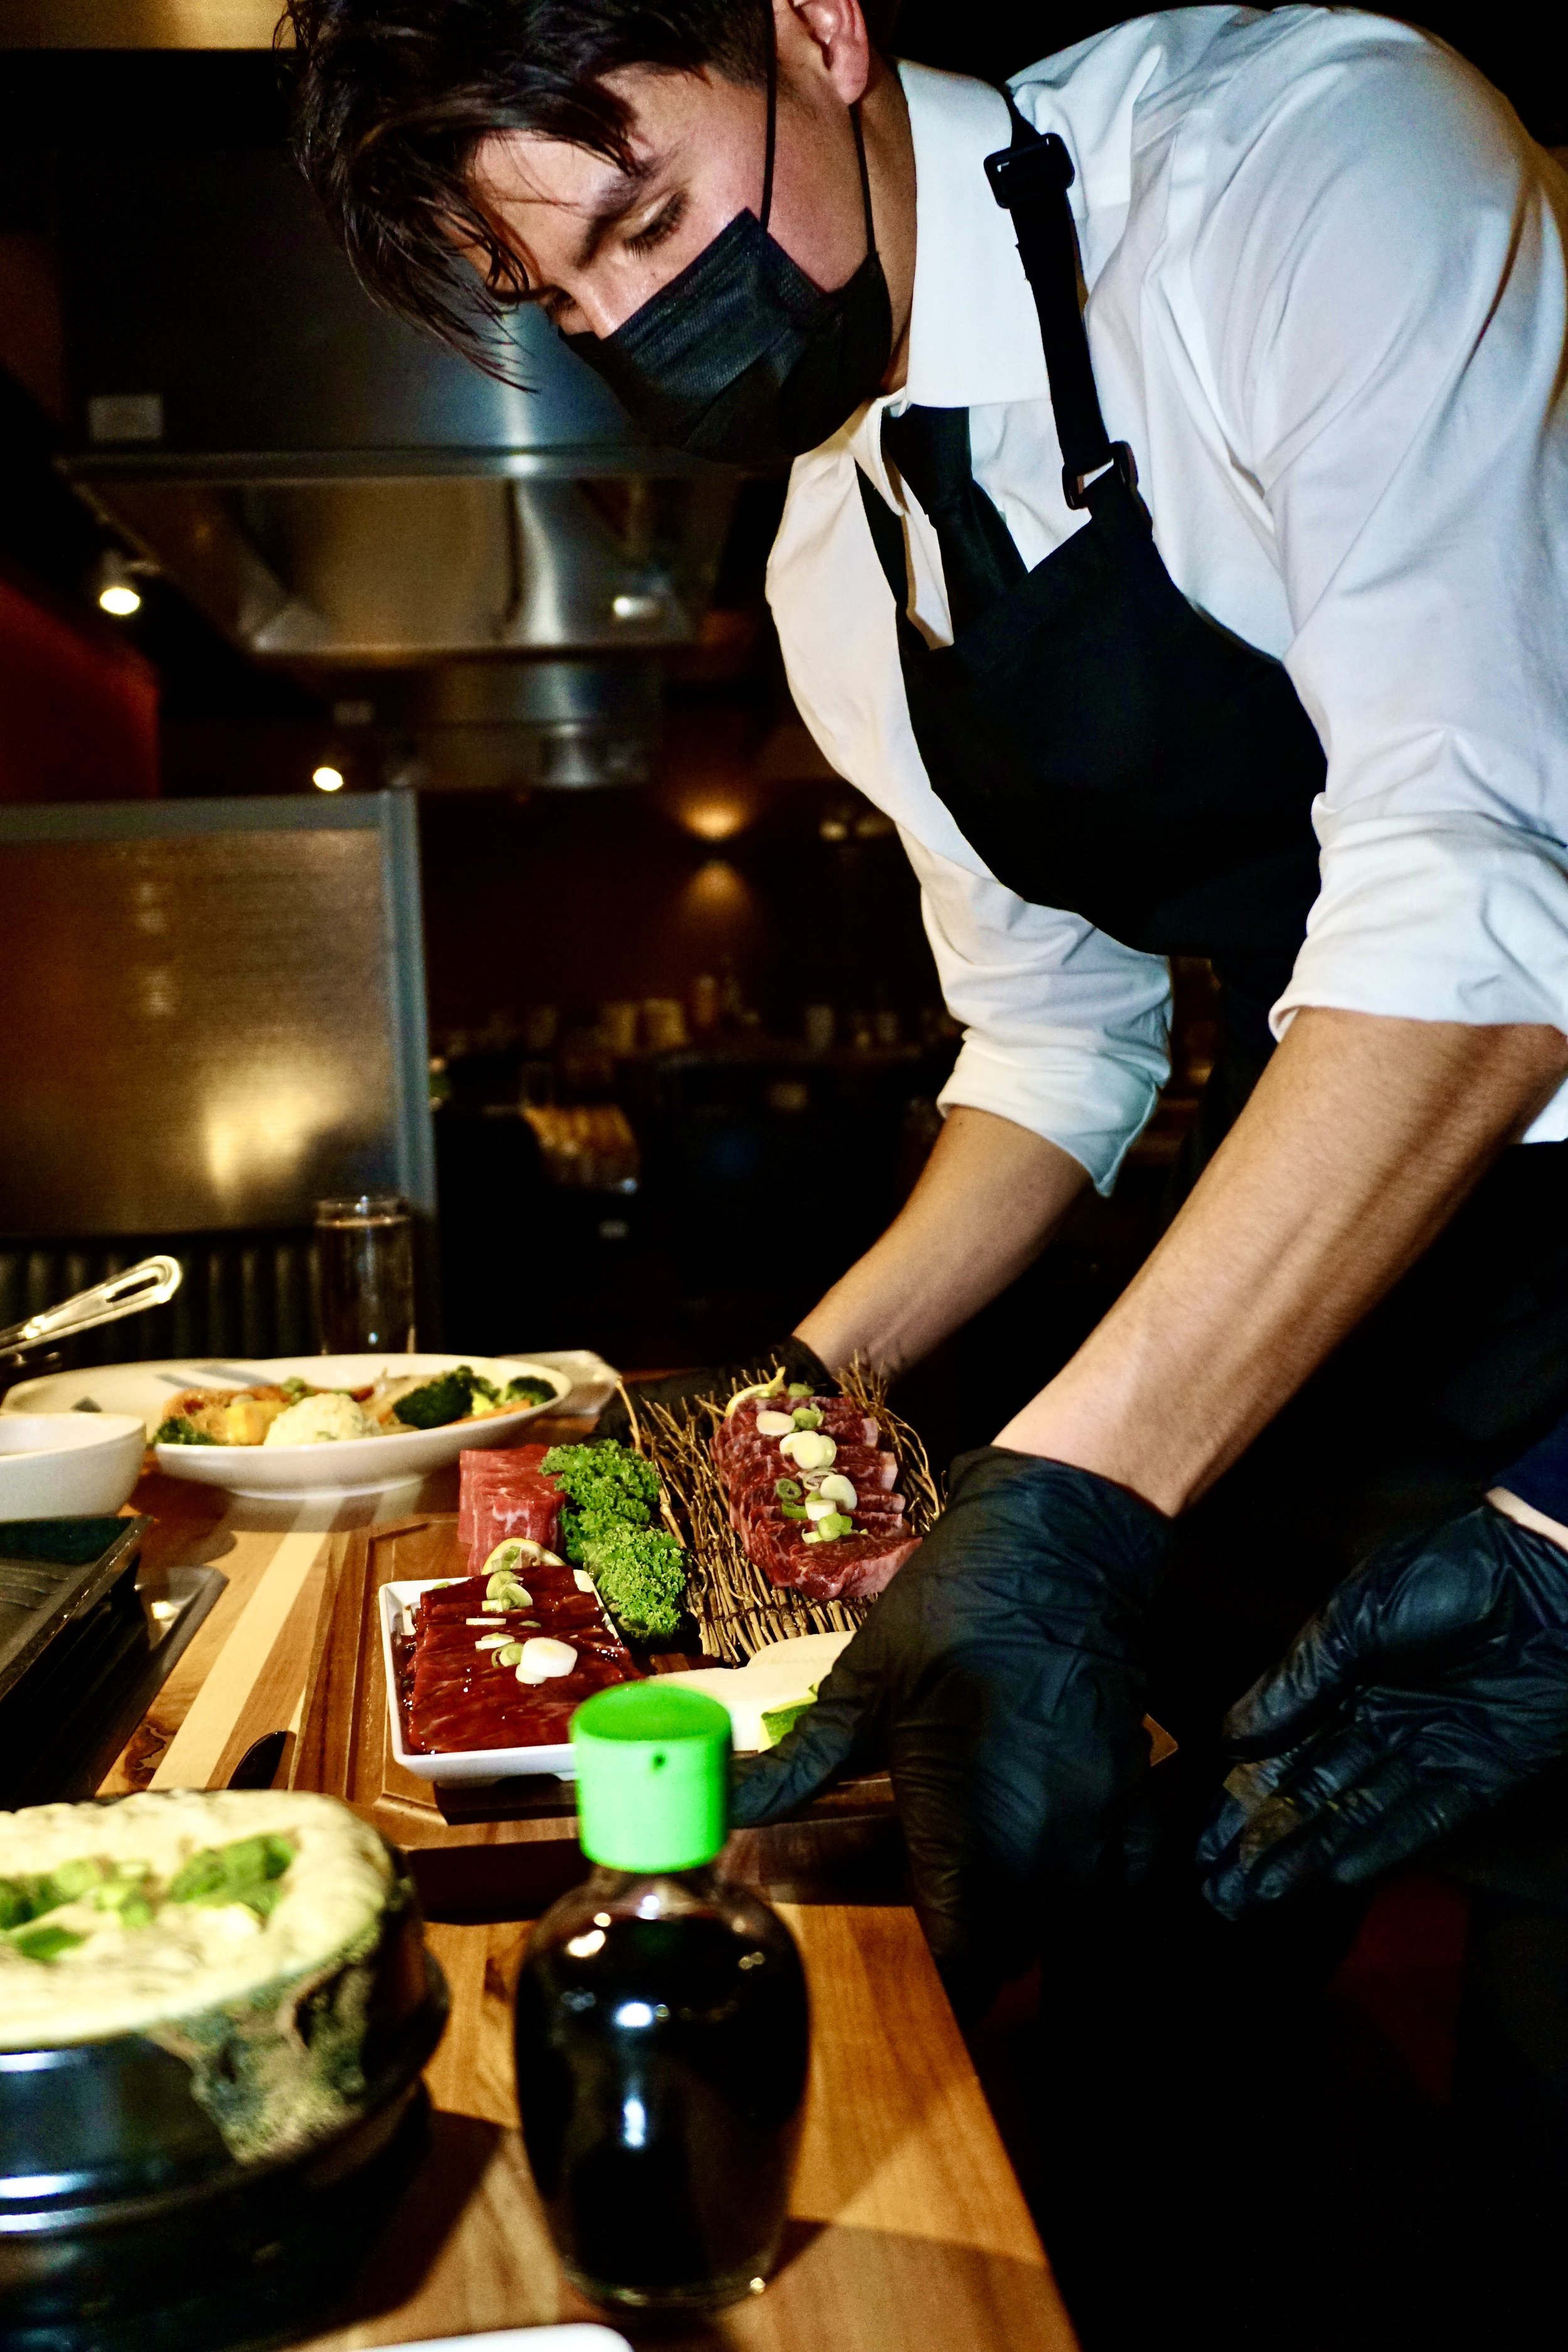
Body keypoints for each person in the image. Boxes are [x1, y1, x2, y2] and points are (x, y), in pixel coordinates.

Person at [285, 1, 1568, 2331]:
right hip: (1359, 1267)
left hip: (1512, 1197)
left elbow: (1484, 883)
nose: (627, 327)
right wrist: (773, 1406)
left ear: (816, 27)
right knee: (1148, 1986)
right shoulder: (828, 557)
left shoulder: (1295, 170)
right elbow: (1057, 1043)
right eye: (562, 296)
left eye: (651, 219)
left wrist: (1069, 1493)